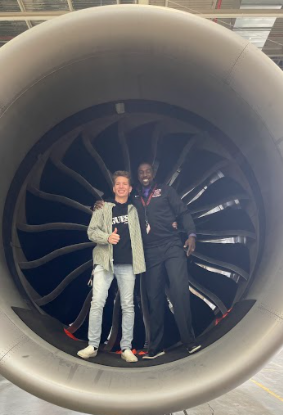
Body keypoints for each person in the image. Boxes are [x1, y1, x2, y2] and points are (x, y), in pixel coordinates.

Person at [77, 171, 146, 363]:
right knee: (97, 302)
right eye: (118, 184)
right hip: (105, 262)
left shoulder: (135, 209)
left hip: (128, 264)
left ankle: (126, 348)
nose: (122, 187)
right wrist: (107, 238)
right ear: (114, 188)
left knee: (128, 306)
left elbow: (149, 225)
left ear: (130, 189)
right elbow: (91, 232)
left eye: (125, 184)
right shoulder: (103, 208)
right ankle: (92, 345)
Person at [134, 162, 201, 359]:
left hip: (171, 246)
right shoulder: (134, 195)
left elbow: (182, 212)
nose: (145, 174)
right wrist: (98, 204)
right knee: (154, 299)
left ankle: (189, 342)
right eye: (141, 172)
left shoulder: (166, 191)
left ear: (153, 173)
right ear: (138, 176)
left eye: (147, 171)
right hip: (150, 251)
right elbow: (116, 202)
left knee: (179, 293)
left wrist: (191, 235)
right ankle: (155, 348)